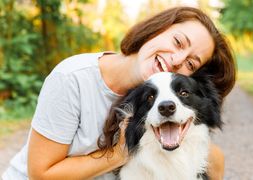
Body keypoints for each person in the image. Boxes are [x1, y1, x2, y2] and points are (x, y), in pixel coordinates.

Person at [2, 6, 236, 180]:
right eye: (177, 42)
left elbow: (211, 158)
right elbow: (40, 174)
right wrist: (118, 154)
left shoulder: (154, 103)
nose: (176, 60)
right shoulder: (72, 78)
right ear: (157, 29)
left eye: (191, 63)